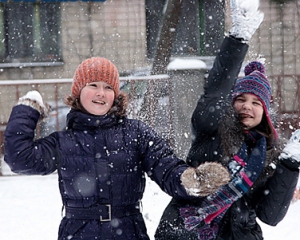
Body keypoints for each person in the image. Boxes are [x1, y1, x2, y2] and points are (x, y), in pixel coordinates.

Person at [4, 57, 232, 240]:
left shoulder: (136, 133)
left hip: (128, 230)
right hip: (79, 231)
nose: (101, 93)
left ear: (115, 95)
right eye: (92, 85)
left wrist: (189, 179)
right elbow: (20, 158)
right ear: (78, 93)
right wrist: (28, 109)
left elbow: (166, 166)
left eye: (108, 87)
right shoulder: (63, 141)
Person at [155, 0, 300, 239]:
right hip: (186, 230)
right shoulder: (213, 128)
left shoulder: (267, 154)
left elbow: (270, 216)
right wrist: (237, 39)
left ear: (264, 112)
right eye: (241, 99)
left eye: (256, 103)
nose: (247, 106)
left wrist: (290, 164)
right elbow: (216, 90)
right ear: (231, 103)